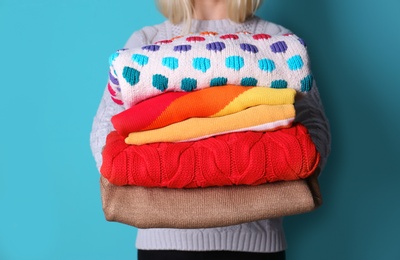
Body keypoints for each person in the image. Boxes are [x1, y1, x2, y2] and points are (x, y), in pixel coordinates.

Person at [90, 0, 331, 259]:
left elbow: (315, 129)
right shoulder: (145, 42)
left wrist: (287, 161)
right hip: (162, 247)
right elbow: (105, 132)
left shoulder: (278, 42)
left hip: (257, 246)